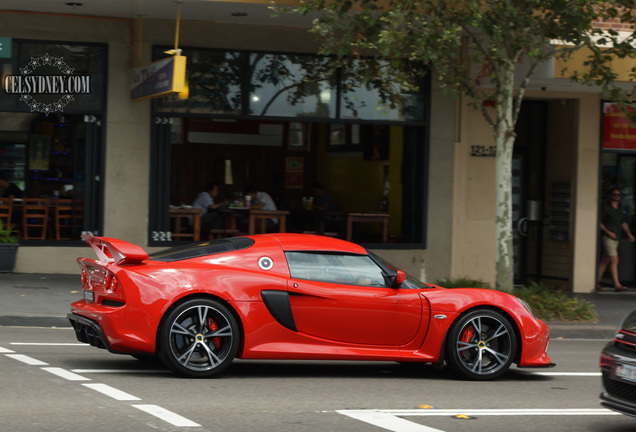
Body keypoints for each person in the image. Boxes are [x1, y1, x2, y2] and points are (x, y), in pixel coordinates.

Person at [597, 187, 635, 292]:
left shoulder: (619, 209)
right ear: (610, 195)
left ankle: (596, 282)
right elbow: (599, 221)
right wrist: (608, 232)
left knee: (605, 260)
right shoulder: (606, 208)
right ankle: (617, 284)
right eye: (615, 195)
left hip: (616, 238)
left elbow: (623, 222)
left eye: (619, 195)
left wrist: (629, 234)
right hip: (608, 237)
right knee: (615, 259)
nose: (617, 197)